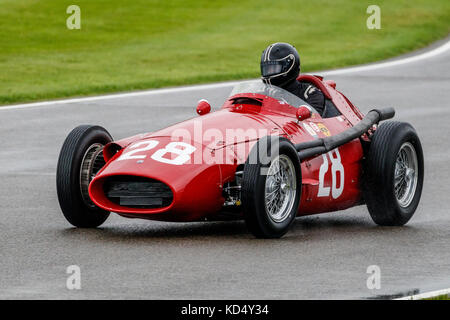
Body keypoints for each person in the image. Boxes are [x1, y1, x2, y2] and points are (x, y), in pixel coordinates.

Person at [260, 42, 325, 115]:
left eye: (274, 68)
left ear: (289, 66)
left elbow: (314, 120)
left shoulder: (310, 93)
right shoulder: (261, 95)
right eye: (267, 69)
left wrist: (280, 102)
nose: (269, 72)